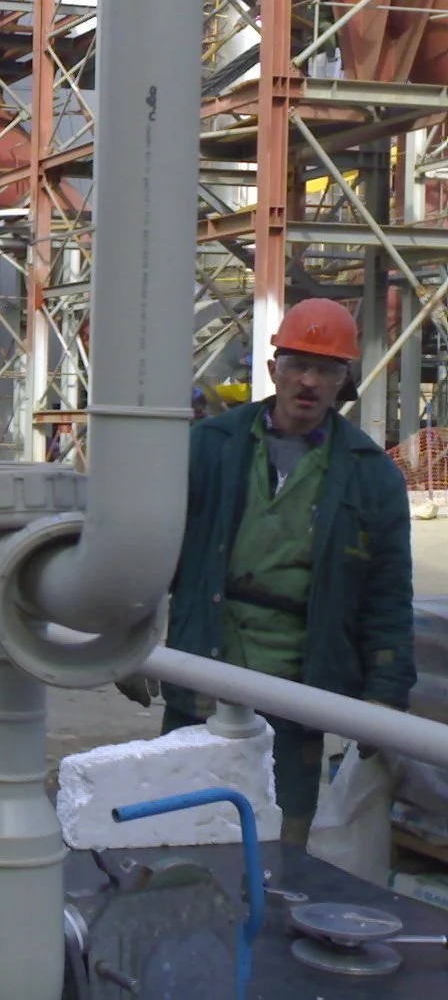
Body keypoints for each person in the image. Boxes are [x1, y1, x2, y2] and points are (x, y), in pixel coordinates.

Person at [154, 297, 414, 848]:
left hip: (299, 685)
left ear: (345, 380)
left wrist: (385, 696)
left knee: (279, 838)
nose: (309, 381)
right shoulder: (210, 446)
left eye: (326, 369)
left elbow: (388, 596)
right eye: (297, 364)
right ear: (273, 370)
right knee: (177, 824)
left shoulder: (371, 477)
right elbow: (151, 547)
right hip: (206, 662)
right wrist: (124, 633)